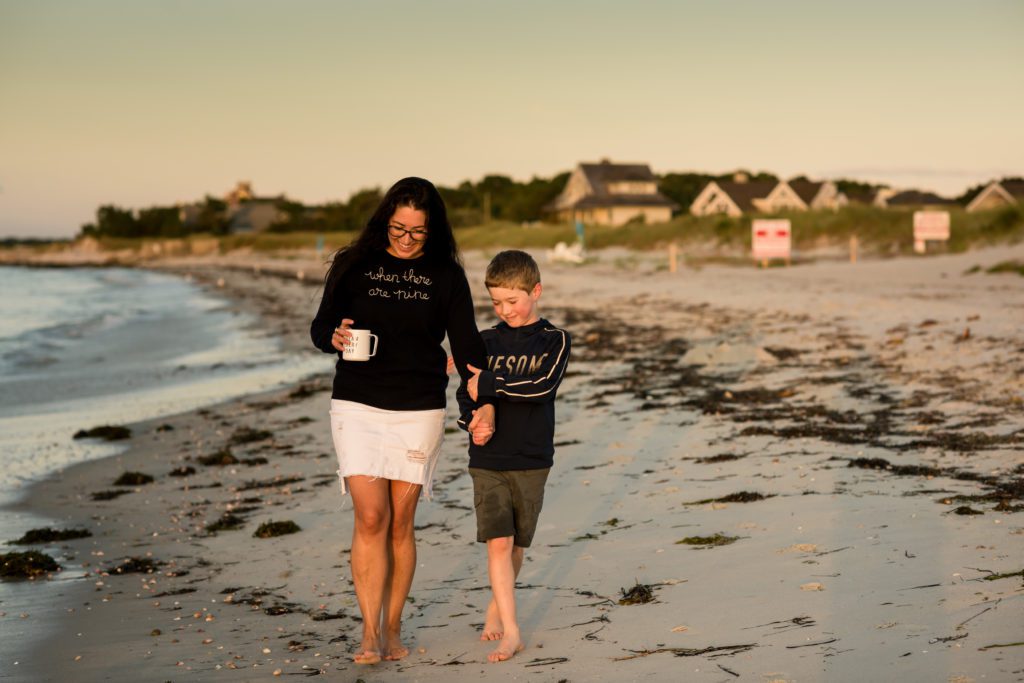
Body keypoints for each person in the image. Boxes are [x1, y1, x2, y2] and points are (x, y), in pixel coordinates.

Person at [310, 177, 496, 665]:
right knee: (370, 515)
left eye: (417, 232)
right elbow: (319, 327)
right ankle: (369, 632)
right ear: (384, 221)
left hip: (418, 407)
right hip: (357, 403)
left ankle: (393, 626)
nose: (406, 239)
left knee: (400, 524)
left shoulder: (446, 276)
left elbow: (467, 344)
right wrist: (334, 334)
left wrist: (486, 397)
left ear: (432, 230)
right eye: (398, 229)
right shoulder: (353, 264)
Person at [456, 249, 571, 663]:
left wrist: (489, 383)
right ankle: (513, 630)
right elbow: (464, 394)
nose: (505, 311)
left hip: (533, 456)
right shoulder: (484, 342)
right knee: (498, 544)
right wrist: (472, 420)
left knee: (517, 544)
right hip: (488, 457)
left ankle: (496, 606)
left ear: (535, 292)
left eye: (513, 301)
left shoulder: (554, 340)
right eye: (496, 303)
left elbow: (541, 387)